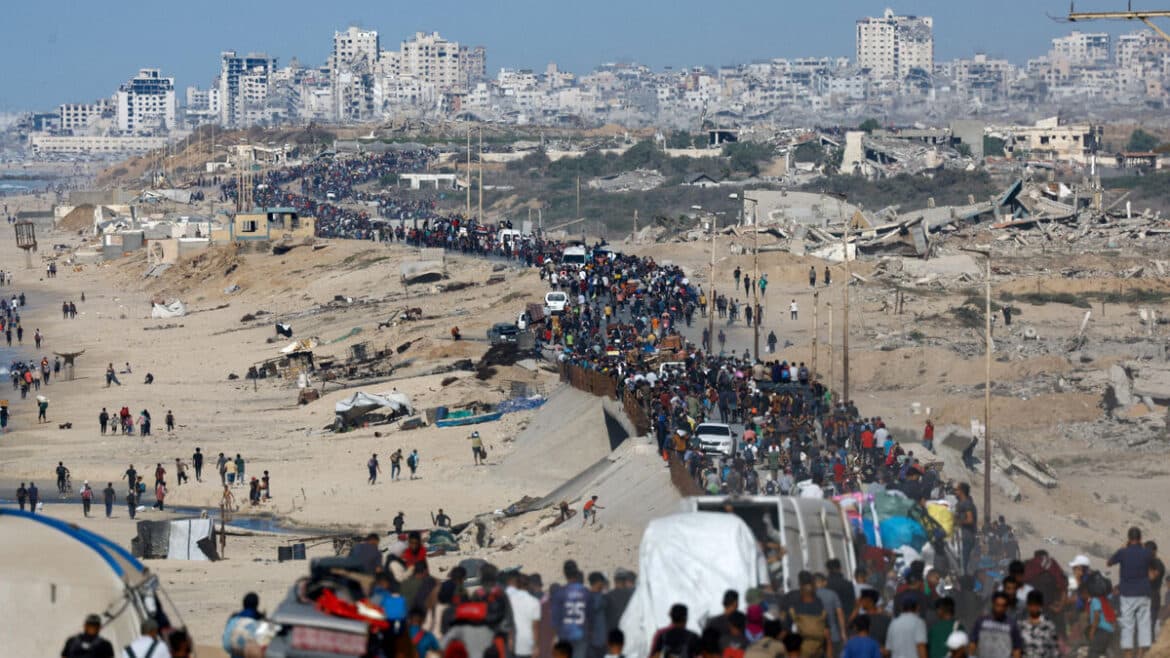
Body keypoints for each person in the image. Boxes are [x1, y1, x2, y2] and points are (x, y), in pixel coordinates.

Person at [1108, 526, 1154, 658]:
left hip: (1127, 593)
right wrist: (1143, 546)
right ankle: (1140, 655)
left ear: (1129, 539)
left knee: (1127, 625)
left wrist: (1123, 547)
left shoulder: (1123, 552)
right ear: (1140, 539)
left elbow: (1109, 563)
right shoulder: (1146, 552)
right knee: (1143, 624)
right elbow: (1152, 561)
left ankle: (1128, 656)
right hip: (1144, 593)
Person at [552, 561, 592, 658]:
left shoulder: (560, 593)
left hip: (564, 635)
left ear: (564, 573)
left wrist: (554, 638)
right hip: (581, 635)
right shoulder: (585, 592)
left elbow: (555, 620)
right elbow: (590, 617)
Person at [969, 592, 1022, 658]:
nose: (1000, 609)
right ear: (993, 604)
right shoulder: (981, 622)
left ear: (1006, 607)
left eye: (1003, 606)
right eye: (998, 605)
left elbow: (1017, 648)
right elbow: (973, 642)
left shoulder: (1012, 625)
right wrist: (971, 656)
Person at [1019, 591, 1058, 658]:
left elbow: (1054, 649)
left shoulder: (1048, 625)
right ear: (1027, 605)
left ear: (1040, 605)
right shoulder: (1021, 625)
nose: (1033, 608)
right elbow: (1017, 649)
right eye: (1031, 605)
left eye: (1036, 605)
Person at [954, 483, 977, 572]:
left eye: (957, 490)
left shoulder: (966, 503)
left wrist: (957, 522)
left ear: (962, 491)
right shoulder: (961, 503)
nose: (955, 492)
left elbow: (970, 520)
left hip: (966, 536)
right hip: (962, 536)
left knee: (962, 564)